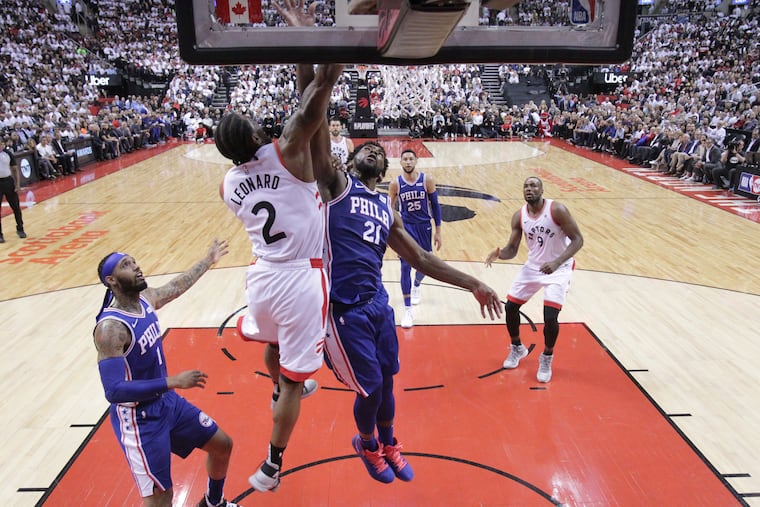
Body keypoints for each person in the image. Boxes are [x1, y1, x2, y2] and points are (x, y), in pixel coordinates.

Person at [215, 57, 345, 492]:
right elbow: (319, 94)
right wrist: (315, 45)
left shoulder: (229, 184)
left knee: (273, 347)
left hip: (262, 278)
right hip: (300, 278)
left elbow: (311, 107)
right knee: (296, 380)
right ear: (257, 136)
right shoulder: (289, 150)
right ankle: (271, 466)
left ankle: (277, 388)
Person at [93, 239, 240, 507]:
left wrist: (208, 260)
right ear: (112, 280)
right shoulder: (111, 329)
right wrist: (171, 381)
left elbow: (176, 286)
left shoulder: (146, 299)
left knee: (222, 446)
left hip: (166, 404)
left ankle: (213, 503)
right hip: (140, 420)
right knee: (162, 498)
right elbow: (113, 391)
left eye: (134, 261)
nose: (136, 267)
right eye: (127, 265)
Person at [485, 176, 584, 383]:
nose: (529, 189)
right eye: (526, 186)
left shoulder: (557, 210)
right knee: (511, 307)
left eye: (533, 186)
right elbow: (512, 250)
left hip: (559, 268)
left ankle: (547, 357)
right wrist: (499, 254)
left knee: (549, 317)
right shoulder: (519, 216)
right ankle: (517, 348)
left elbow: (578, 240)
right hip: (533, 267)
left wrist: (557, 262)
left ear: (541, 190)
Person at [388, 148, 443, 328]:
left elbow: (435, 206)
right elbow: (390, 210)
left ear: (416, 160)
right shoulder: (395, 184)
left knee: (425, 265)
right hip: (406, 228)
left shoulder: (427, 180)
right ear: (401, 162)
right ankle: (408, 310)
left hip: (425, 227)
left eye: (411, 159)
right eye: (405, 159)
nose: (408, 162)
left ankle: (417, 285)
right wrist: (391, 233)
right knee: (405, 267)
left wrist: (438, 231)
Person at [0, 136, 26, 243]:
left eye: (1, 143)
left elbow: (15, 169)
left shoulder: (8, 153)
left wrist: (17, 184)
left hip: (8, 181)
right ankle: (0, 235)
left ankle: (20, 228)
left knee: (16, 207)